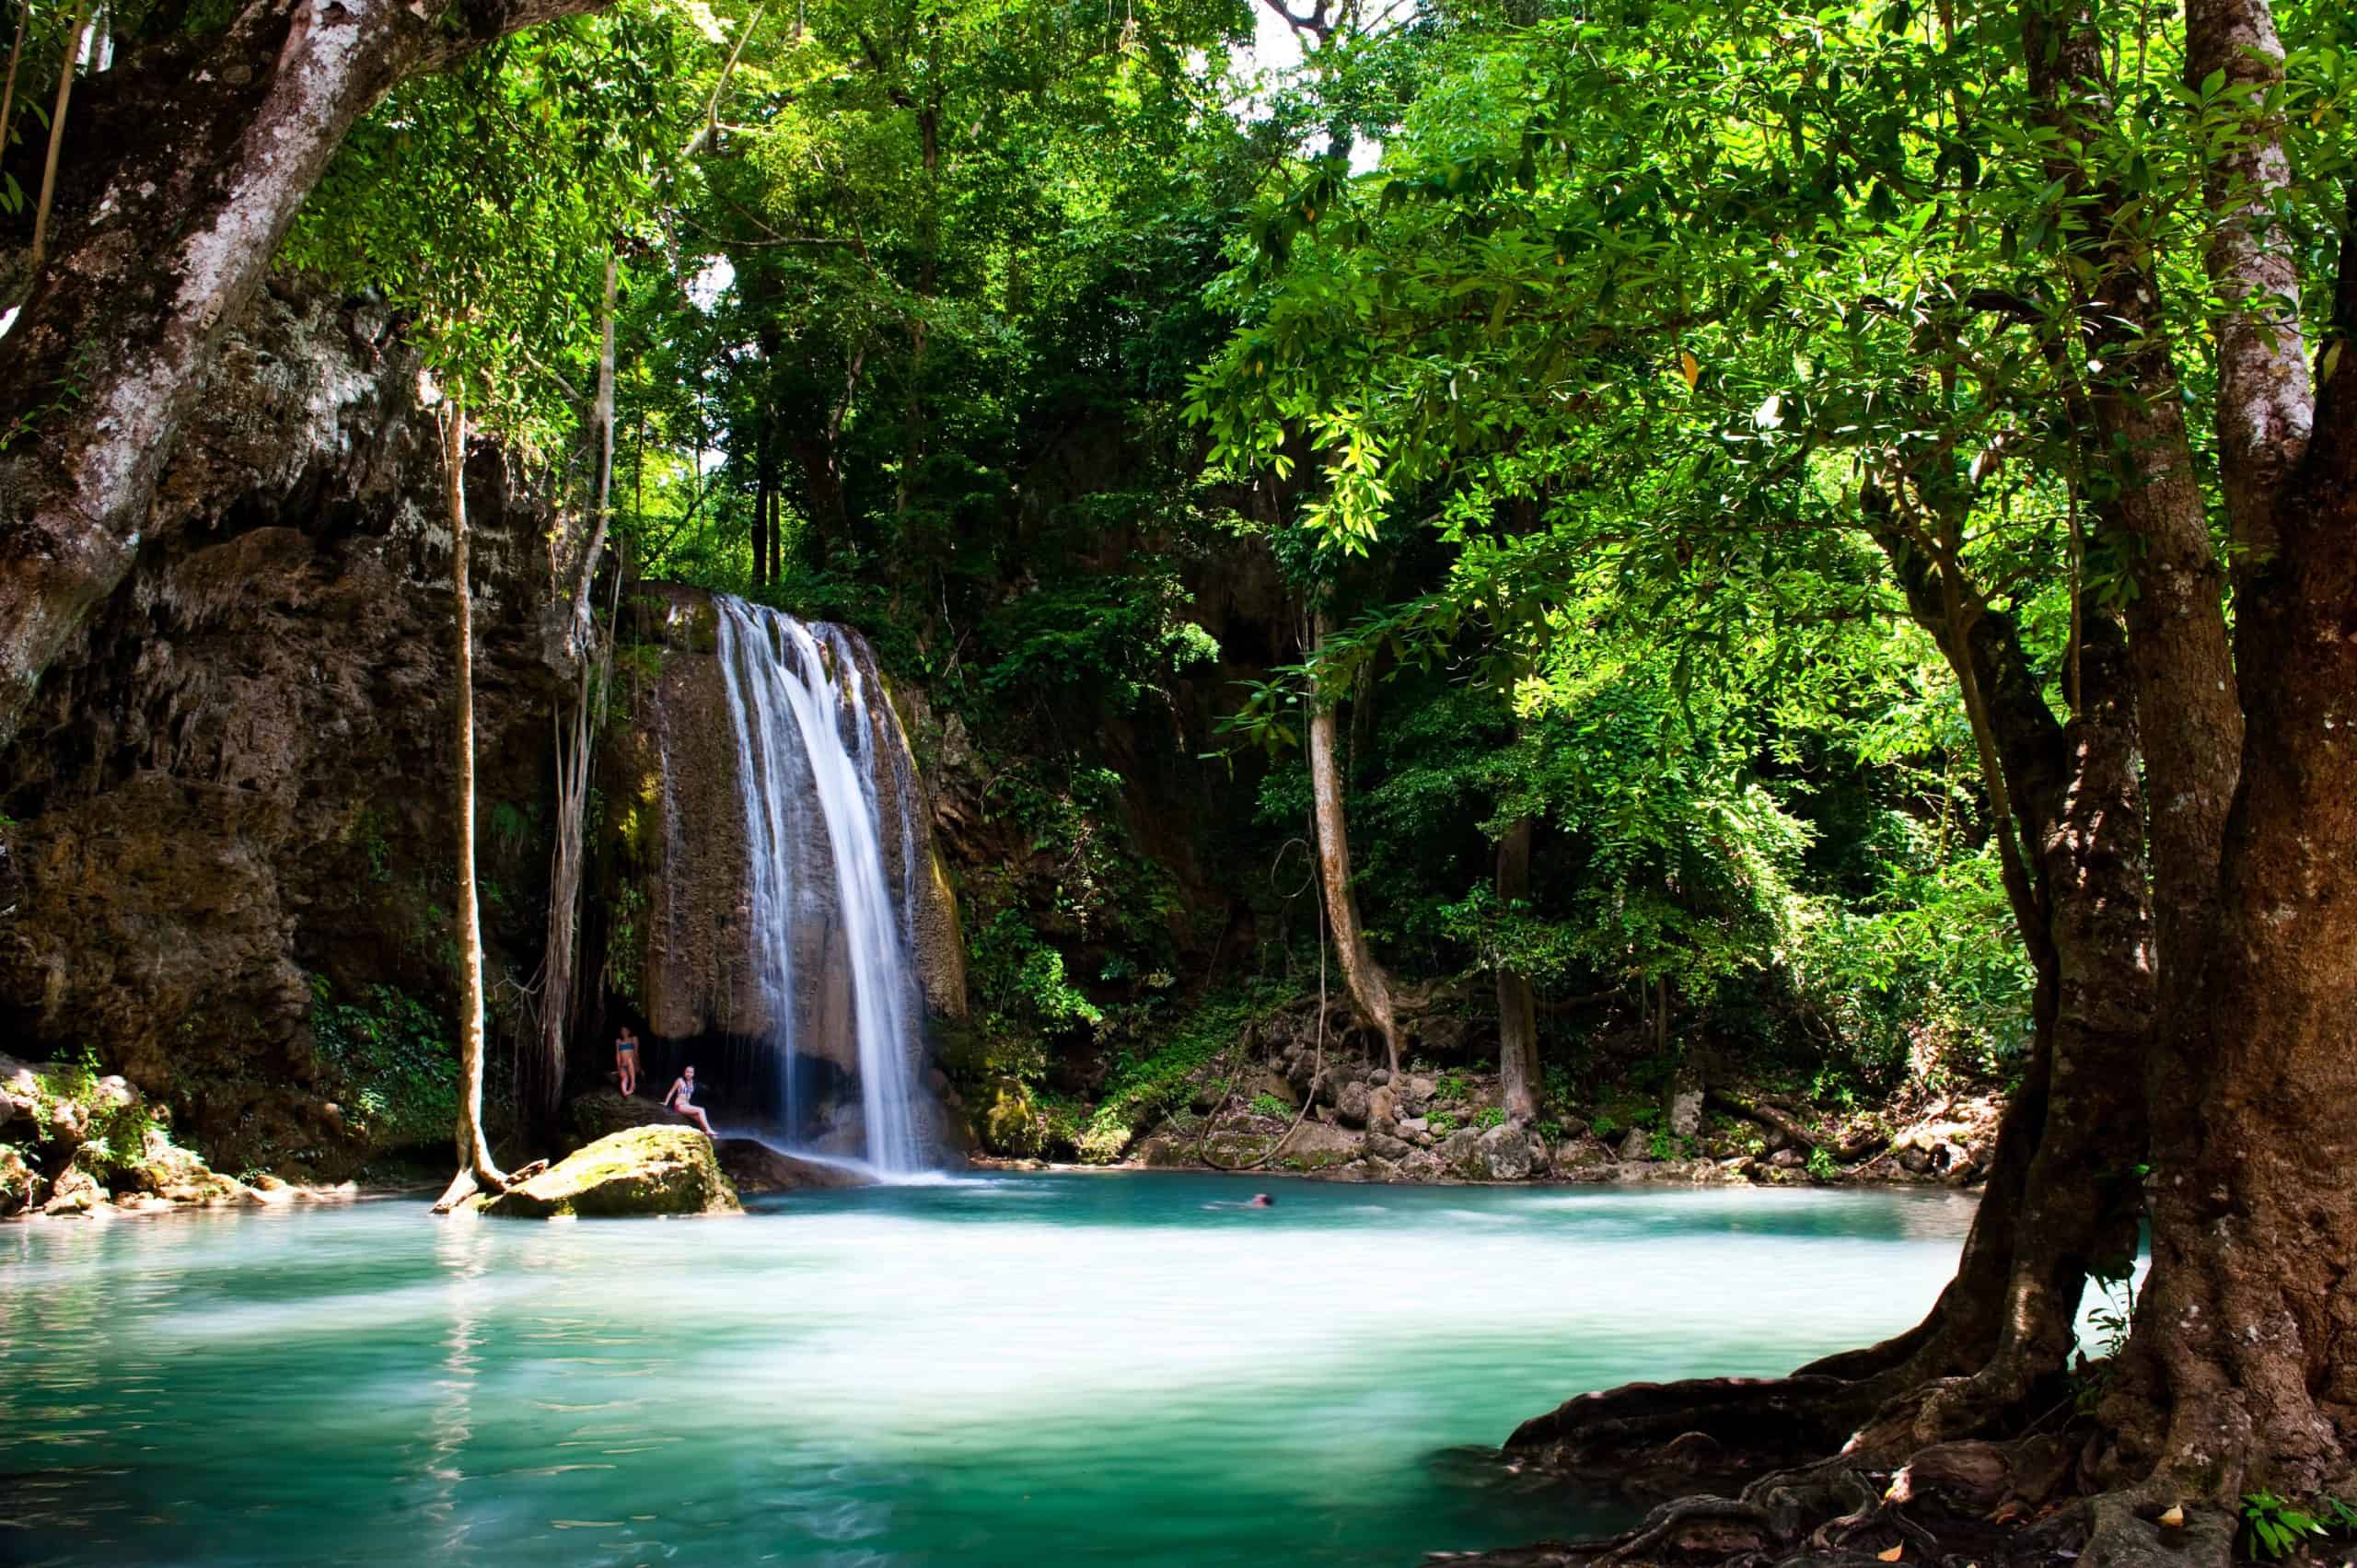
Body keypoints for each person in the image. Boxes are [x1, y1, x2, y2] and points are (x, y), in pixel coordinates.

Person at [663, 1064, 715, 1136]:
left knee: (698, 1118)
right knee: (701, 1110)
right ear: (684, 1073)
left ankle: (708, 1134)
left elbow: (689, 1095)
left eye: (691, 1072)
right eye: (687, 1072)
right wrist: (666, 1103)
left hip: (687, 1106)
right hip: (679, 1106)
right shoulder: (679, 1080)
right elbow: (671, 1092)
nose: (689, 1074)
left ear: (693, 1074)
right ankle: (709, 1130)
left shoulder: (692, 1082)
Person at [614, 1024, 641, 1097]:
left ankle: (632, 1086)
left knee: (629, 1060)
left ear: (629, 1031)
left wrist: (638, 1066)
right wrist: (618, 1067)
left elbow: (636, 1053)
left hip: (632, 1064)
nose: (624, 1032)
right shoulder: (618, 1041)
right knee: (625, 1078)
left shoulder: (633, 1039)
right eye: (622, 1030)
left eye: (625, 1030)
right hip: (623, 1065)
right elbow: (618, 1055)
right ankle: (625, 1092)